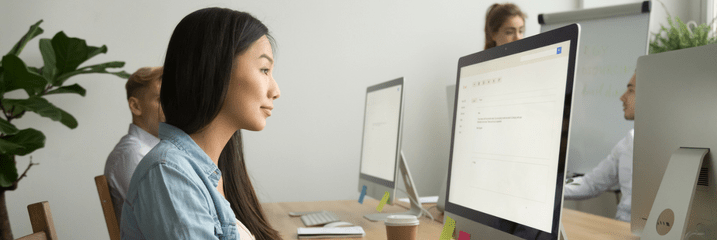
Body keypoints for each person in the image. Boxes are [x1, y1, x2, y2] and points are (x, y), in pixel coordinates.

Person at [119, 8, 281, 240]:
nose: (276, 91)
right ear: (217, 69)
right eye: (264, 70)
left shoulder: (213, 170)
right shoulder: (169, 174)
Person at [563, 73, 637, 222]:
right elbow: (591, 183)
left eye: (630, 91)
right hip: (620, 227)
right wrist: (547, 189)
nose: (622, 97)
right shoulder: (627, 143)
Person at [104, 66, 164, 223]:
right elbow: (162, 220)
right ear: (136, 106)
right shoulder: (133, 154)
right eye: (160, 100)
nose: (170, 107)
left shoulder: (155, 152)